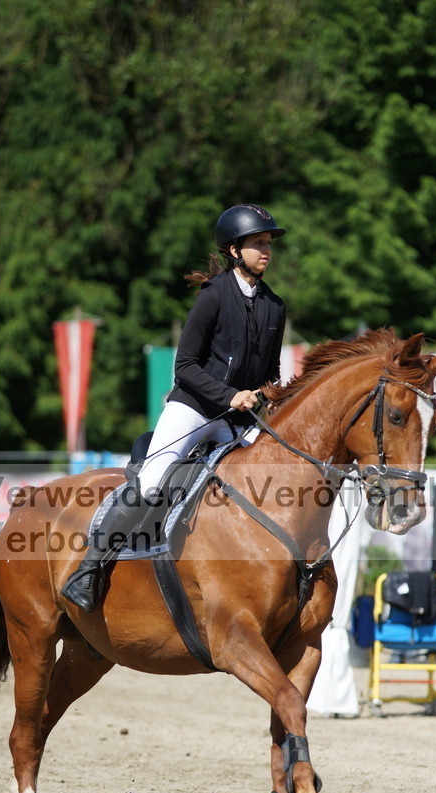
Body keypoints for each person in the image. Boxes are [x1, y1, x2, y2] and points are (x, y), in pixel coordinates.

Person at [62, 203, 287, 611]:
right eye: (258, 243)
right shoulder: (214, 296)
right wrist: (229, 395)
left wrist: (270, 393)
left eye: (269, 243)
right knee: (151, 484)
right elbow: (185, 366)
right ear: (234, 250)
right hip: (195, 410)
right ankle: (88, 568)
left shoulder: (275, 305)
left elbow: (270, 370)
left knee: (271, 484)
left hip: (238, 420)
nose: (266, 250)